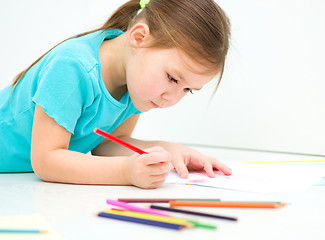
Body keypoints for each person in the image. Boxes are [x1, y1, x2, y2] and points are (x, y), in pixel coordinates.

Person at [0, 0, 232, 189]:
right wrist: (125, 172)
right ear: (139, 37)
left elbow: (106, 144)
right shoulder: (72, 67)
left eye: (187, 90)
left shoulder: (136, 85)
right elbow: (46, 160)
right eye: (172, 78)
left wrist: (169, 151)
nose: (172, 98)